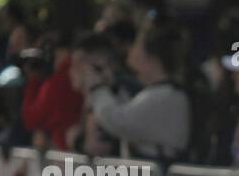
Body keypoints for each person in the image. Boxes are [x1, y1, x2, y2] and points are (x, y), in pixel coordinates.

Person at [81, 21, 191, 162]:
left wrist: (98, 88)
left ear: (151, 59)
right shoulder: (163, 93)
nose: (131, 52)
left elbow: (116, 119)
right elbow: (130, 112)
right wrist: (113, 88)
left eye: (136, 46)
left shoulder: (165, 96)